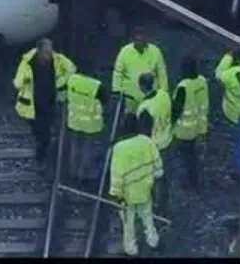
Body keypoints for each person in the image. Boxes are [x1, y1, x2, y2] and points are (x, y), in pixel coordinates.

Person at [110, 112, 163, 257]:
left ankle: (131, 249)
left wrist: (116, 194)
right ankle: (153, 241)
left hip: (128, 194)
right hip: (145, 189)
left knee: (128, 223)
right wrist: (155, 177)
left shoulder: (119, 148)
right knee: (148, 216)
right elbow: (158, 164)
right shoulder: (147, 141)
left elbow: (117, 174)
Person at [13, 38, 76, 162]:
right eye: (46, 53)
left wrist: (61, 81)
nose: (49, 55)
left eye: (50, 51)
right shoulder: (27, 62)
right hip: (32, 103)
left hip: (50, 100)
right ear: (39, 51)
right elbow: (17, 82)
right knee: (37, 129)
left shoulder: (58, 59)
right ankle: (42, 145)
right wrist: (24, 80)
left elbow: (72, 69)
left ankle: (41, 154)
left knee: (45, 129)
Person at [66, 65, 109, 181]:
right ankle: (83, 175)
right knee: (87, 149)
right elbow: (105, 99)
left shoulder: (72, 80)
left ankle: (73, 172)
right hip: (90, 124)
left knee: (74, 147)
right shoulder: (96, 85)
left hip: (74, 120)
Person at [172, 56, 209, 188]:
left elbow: (177, 109)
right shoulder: (202, 81)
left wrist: (170, 124)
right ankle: (197, 180)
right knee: (194, 156)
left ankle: (189, 182)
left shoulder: (184, 86)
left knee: (186, 157)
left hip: (184, 130)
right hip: (200, 126)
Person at [137, 72, 172, 211]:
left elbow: (144, 133)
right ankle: (164, 203)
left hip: (154, 146)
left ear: (141, 87)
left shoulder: (145, 108)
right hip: (167, 140)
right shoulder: (164, 95)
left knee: (153, 177)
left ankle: (156, 207)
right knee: (163, 176)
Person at [112, 27, 168, 112]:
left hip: (151, 98)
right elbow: (118, 73)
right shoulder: (125, 51)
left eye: (142, 40)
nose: (140, 42)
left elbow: (162, 73)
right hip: (130, 98)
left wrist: (163, 93)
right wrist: (116, 92)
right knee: (130, 121)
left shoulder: (155, 51)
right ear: (133, 40)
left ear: (146, 39)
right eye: (137, 40)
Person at [217, 49, 240, 126]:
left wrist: (229, 55)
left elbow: (218, 73)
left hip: (232, 115)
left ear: (238, 61)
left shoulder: (229, 74)